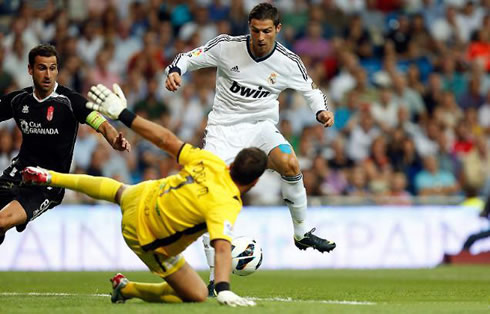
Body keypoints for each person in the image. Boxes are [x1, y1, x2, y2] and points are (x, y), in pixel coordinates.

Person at [22, 83, 264, 307]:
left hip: (141, 195)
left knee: (116, 189)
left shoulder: (210, 161)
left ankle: (51, 176)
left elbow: (165, 139)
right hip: (145, 236)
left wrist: (123, 114)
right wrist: (223, 289)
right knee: (197, 293)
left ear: (232, 164)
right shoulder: (228, 202)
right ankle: (128, 289)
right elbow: (222, 247)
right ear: (254, 182)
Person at [164, 2, 336, 294]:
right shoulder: (226, 47)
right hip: (223, 130)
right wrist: (176, 71)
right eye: (255, 30)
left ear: (277, 30)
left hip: (261, 127)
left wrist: (321, 111)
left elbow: (311, 90)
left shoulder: (287, 61)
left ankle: (302, 231)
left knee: (290, 163)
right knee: (212, 197)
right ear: (249, 27)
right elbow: (188, 58)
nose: (260, 37)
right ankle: (213, 278)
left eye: (267, 31)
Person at [0, 44, 130, 245]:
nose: (48, 74)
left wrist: (115, 139)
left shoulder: (70, 101)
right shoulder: (19, 100)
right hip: (17, 173)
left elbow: (101, 123)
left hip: (47, 183)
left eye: (53, 68)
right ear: (30, 70)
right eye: (42, 68)